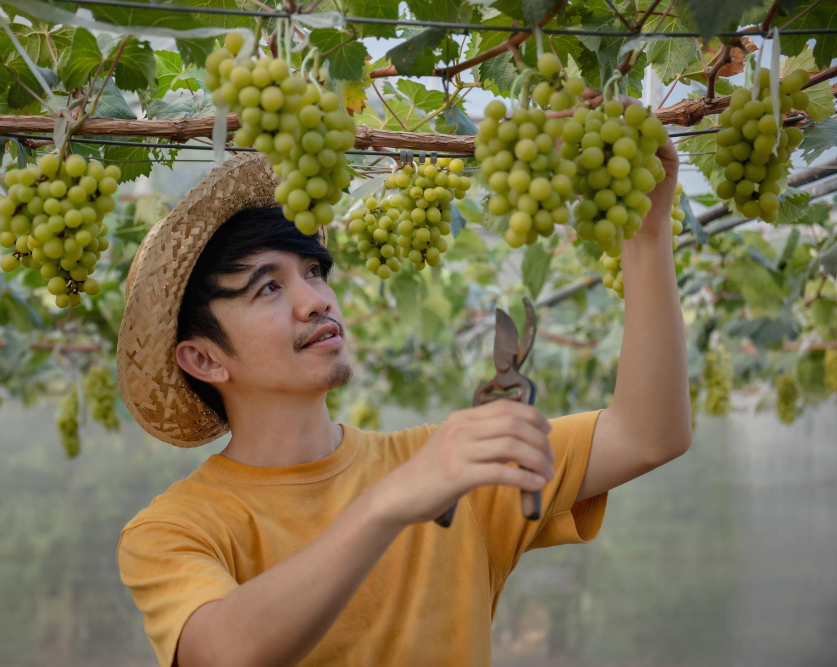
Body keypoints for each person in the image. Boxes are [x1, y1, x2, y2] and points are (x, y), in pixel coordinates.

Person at [115, 145, 691, 666]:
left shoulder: (448, 469)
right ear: (205, 359)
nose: (316, 300)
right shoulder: (174, 530)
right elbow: (221, 654)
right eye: (269, 287)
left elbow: (648, 436)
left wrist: (646, 238)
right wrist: (388, 503)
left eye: (314, 272)